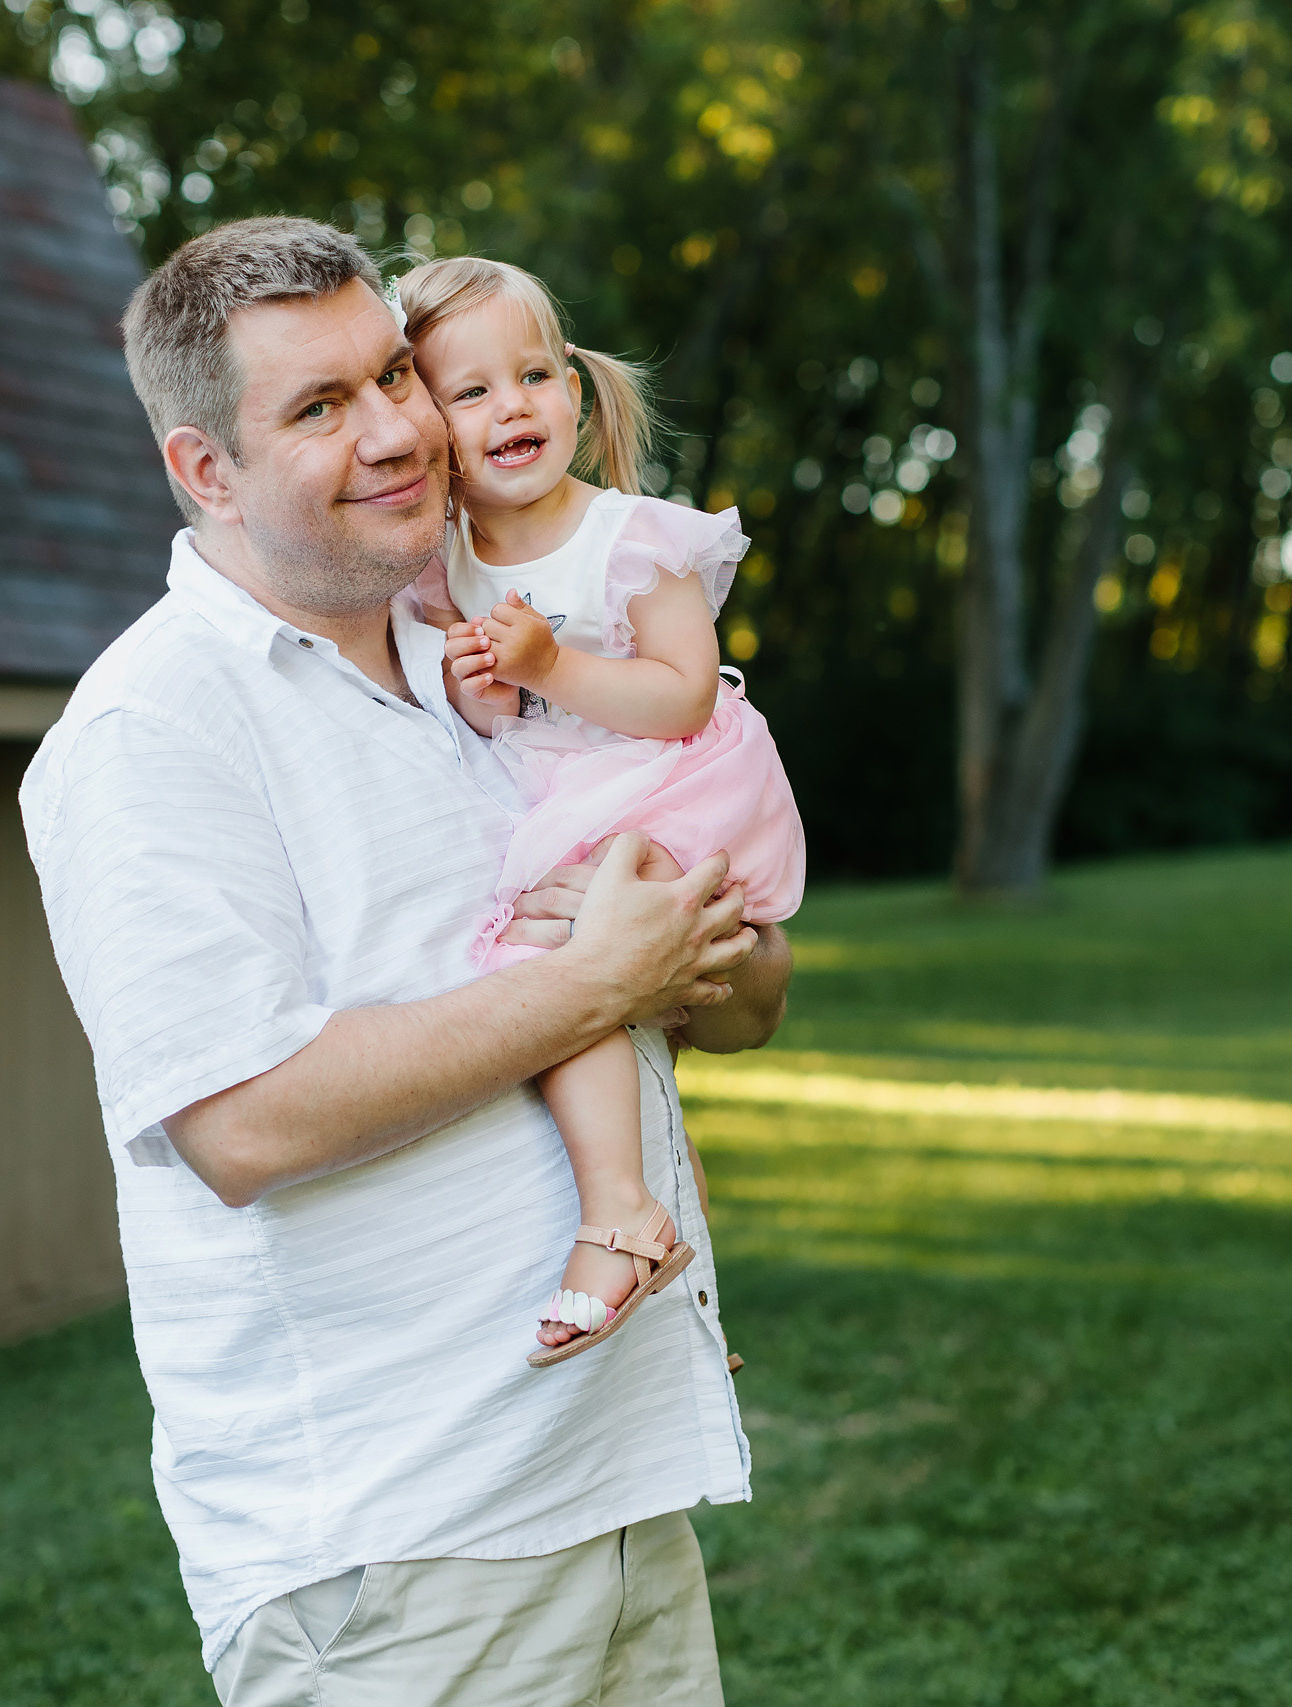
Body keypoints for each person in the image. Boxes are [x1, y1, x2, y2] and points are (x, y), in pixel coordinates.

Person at [18, 216, 791, 1705]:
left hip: (614, 1485)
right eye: (318, 406)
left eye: (393, 374)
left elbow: (737, 994)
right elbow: (241, 1123)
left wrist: (714, 960)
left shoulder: (486, 668)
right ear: (205, 470)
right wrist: (591, 983)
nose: (396, 430)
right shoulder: (155, 733)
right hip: (399, 1559)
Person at [395, 256, 805, 1364]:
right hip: (569, 788)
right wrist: (484, 692)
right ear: (427, 427)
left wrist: (550, 666)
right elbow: (493, 722)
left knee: (551, 961)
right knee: (593, 1002)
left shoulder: (633, 538)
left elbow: (678, 698)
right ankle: (669, 1267)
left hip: (673, 783)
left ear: (576, 394)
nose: (510, 405)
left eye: (532, 375)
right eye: (469, 391)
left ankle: (618, 1213)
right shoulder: (445, 566)